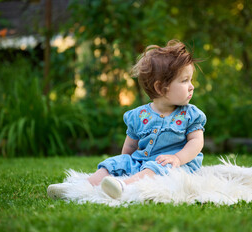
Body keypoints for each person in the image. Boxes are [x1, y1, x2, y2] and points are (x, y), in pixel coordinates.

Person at [47, 40, 206, 200]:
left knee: (155, 168)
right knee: (114, 163)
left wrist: (178, 158)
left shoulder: (190, 114)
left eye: (190, 80)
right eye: (185, 81)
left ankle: (124, 185)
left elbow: (196, 142)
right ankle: (81, 186)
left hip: (175, 165)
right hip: (142, 161)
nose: (191, 86)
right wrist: (124, 162)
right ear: (160, 88)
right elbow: (130, 144)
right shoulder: (138, 115)